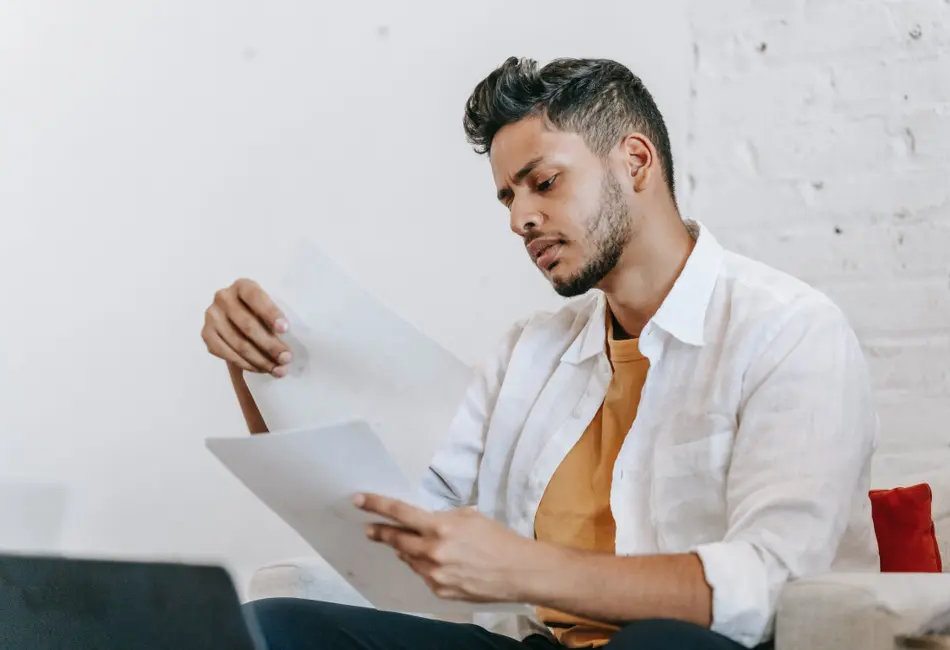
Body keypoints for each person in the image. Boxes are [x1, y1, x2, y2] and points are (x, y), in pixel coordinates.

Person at [201, 57, 879, 650]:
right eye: (506, 195)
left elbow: (772, 584)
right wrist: (260, 363)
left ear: (635, 161)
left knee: (663, 645)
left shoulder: (787, 330)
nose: (518, 218)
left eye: (543, 182)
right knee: (269, 627)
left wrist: (525, 568)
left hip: (713, 649)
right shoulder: (531, 351)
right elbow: (383, 515)